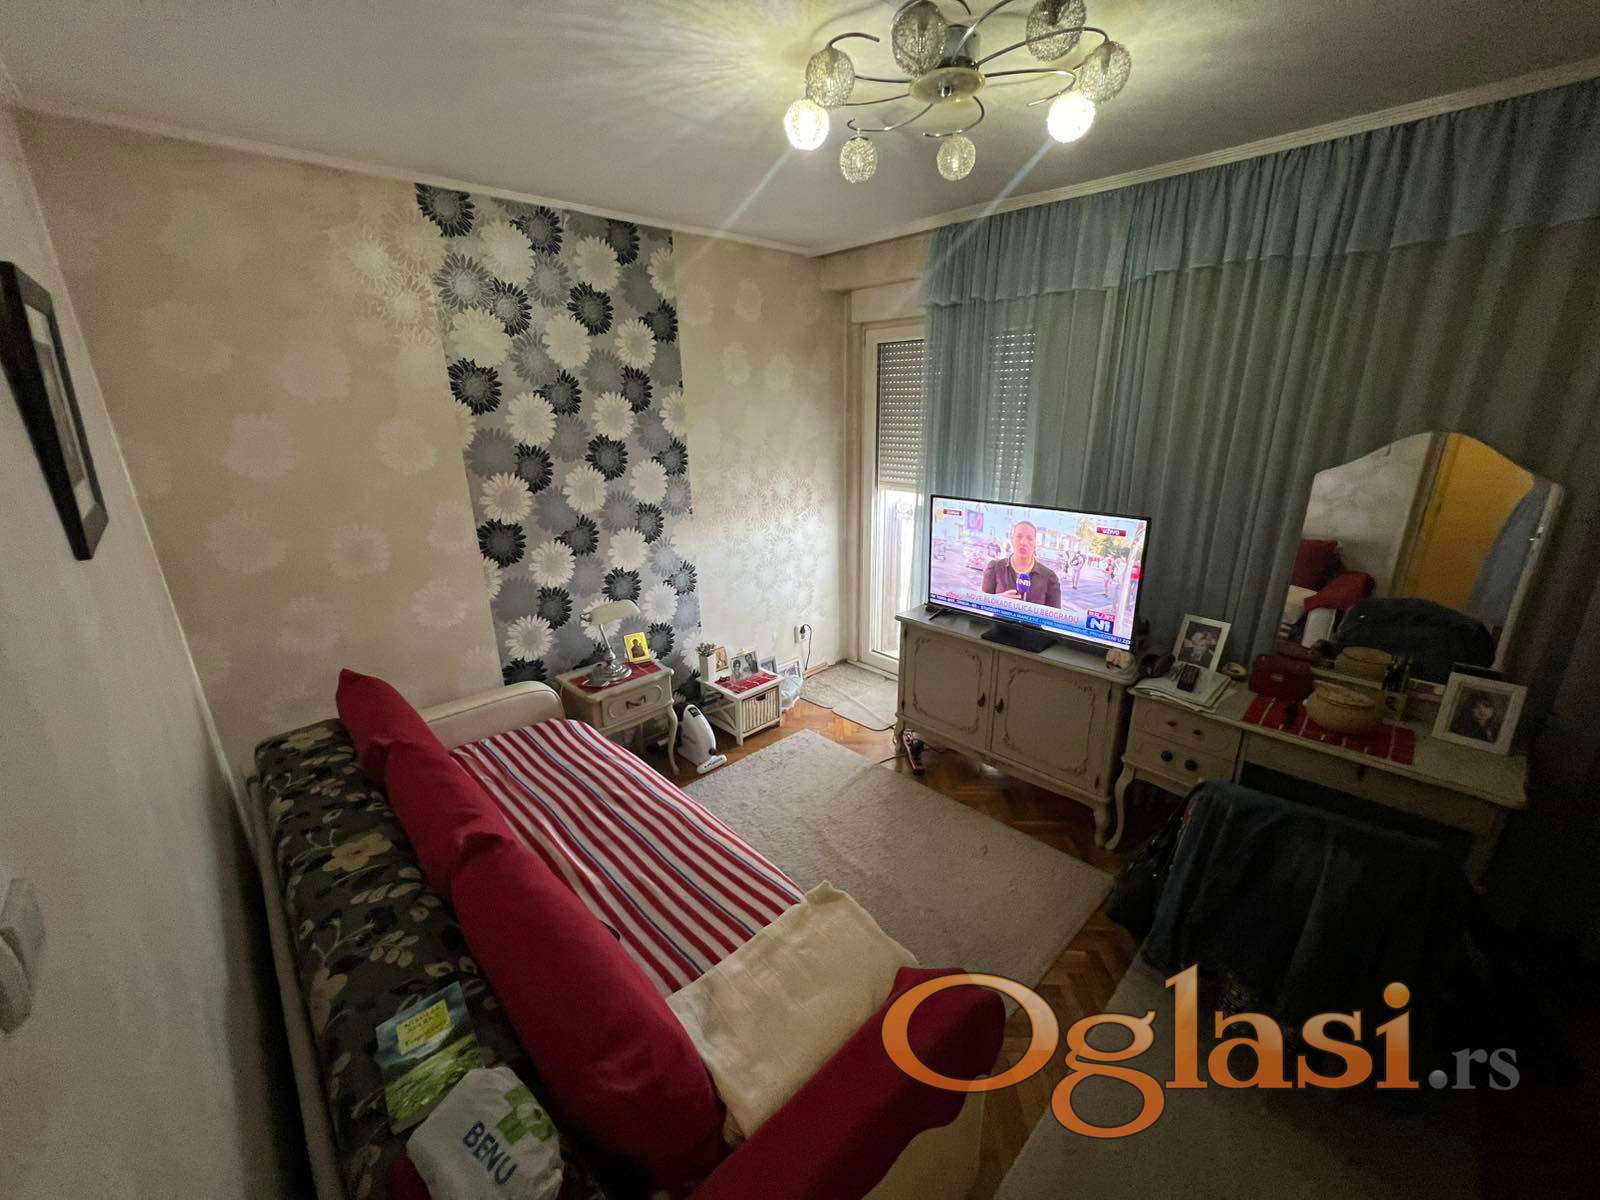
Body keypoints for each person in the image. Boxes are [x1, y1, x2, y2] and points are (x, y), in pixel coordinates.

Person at [981, 520, 1062, 609]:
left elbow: (1055, 615)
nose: (1023, 542)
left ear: (1035, 543)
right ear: (1012, 540)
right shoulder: (995, 567)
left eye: (1029, 538)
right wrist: (998, 600)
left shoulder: (1050, 577)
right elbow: (981, 605)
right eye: (1019, 536)